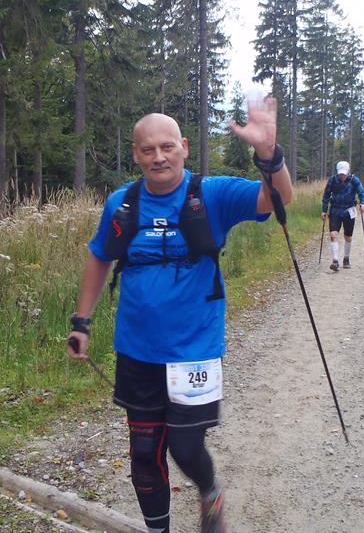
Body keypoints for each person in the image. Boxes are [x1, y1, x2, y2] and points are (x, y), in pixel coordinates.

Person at [67, 96, 292, 533]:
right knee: (144, 454)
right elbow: (100, 258)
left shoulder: (213, 194)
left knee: (186, 448)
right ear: (136, 155)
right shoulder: (122, 204)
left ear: (184, 147)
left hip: (195, 351)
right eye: (148, 149)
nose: (159, 157)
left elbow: (279, 198)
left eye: (167, 146)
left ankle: (209, 492)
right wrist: (82, 322)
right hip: (137, 351)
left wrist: (268, 152)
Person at [321, 161, 364, 271]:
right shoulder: (333, 180)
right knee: (333, 234)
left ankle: (346, 258)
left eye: (344, 173)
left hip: (349, 211)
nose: (342, 176)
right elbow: (326, 196)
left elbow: (362, 194)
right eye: (340, 173)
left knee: (348, 236)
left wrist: (363, 204)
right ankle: (335, 261)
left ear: (348, 172)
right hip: (335, 210)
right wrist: (324, 210)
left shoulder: (354, 180)